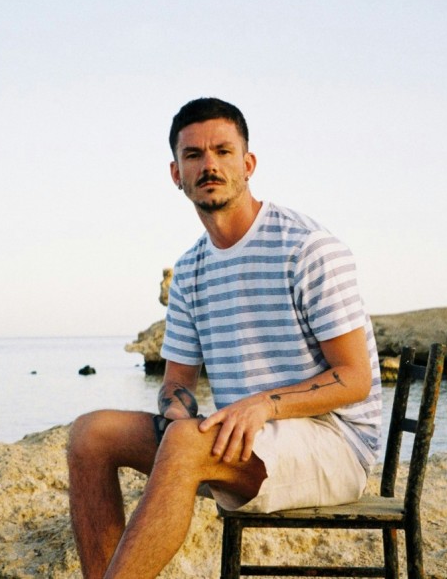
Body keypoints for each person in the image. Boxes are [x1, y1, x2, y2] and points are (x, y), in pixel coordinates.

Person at [67, 97, 382, 579]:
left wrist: (261, 405)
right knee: (91, 436)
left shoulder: (306, 248)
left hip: (334, 442)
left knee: (186, 445)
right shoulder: (191, 269)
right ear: (176, 173)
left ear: (248, 163)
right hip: (246, 439)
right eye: (193, 155)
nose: (208, 164)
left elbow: (354, 378)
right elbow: (177, 384)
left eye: (222, 151)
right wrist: (176, 409)